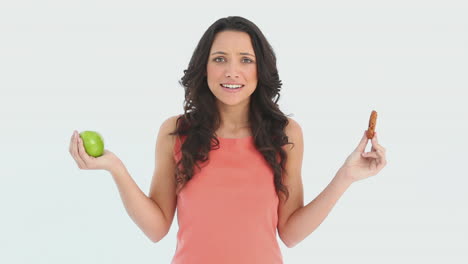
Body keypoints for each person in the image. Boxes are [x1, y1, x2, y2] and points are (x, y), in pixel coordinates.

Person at [68, 16, 387, 264]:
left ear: (260, 69)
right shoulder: (176, 132)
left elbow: (290, 232)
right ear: (204, 67)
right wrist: (115, 167)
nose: (232, 71)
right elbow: (156, 229)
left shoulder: (285, 134)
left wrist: (346, 177)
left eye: (245, 60)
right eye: (220, 58)